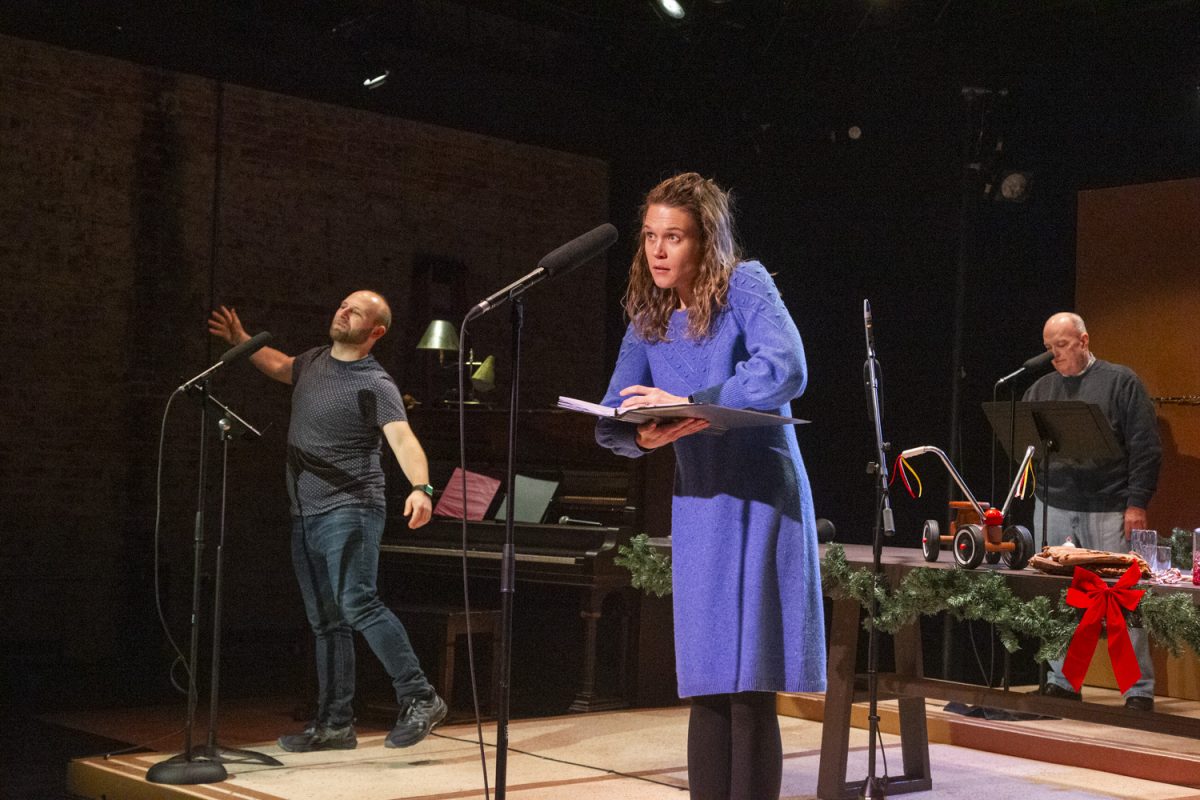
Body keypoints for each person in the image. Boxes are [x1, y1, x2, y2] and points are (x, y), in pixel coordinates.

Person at [595, 173, 826, 800]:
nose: (659, 251)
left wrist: (691, 402)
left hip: (758, 498)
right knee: (707, 679)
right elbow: (615, 409)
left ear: (706, 241)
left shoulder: (745, 285)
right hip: (699, 505)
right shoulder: (647, 317)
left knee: (749, 681)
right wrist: (639, 436)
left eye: (674, 237)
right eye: (650, 237)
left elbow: (785, 369)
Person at [208, 290, 447, 751]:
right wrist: (242, 341)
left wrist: (422, 488)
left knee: (358, 604)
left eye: (356, 311)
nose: (343, 311)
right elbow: (280, 366)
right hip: (305, 511)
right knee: (326, 622)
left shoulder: (376, 383)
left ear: (375, 332)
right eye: (342, 305)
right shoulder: (315, 360)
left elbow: (403, 440)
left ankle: (420, 695)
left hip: (352, 508)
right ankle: (335, 723)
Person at [1024, 311, 1162, 711]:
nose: (1055, 355)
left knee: (1123, 598)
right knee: (1060, 598)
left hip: (1109, 505)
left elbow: (1146, 447)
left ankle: (1137, 691)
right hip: (1055, 505)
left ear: (1084, 341)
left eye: (1063, 346)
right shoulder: (1041, 389)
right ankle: (1062, 681)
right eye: (1049, 348)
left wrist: (1137, 503)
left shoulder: (1121, 382)